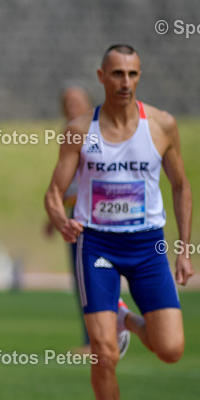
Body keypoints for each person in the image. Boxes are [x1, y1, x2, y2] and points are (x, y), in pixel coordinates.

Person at [45, 44, 192, 400]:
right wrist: (61, 221)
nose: (124, 82)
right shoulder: (79, 129)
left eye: (132, 74)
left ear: (139, 77)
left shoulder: (163, 125)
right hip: (98, 245)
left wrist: (184, 247)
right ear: (101, 76)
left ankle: (126, 317)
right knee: (103, 352)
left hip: (148, 246)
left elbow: (181, 186)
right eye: (116, 74)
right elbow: (54, 192)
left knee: (170, 349)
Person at [45, 85, 131, 357]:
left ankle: (108, 332)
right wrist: (54, 212)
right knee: (83, 278)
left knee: (93, 275)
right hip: (75, 213)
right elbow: (66, 178)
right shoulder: (71, 131)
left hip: (96, 213)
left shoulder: (93, 131)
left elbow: (94, 171)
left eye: (76, 101)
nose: (71, 105)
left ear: (87, 103)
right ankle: (102, 334)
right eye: (67, 101)